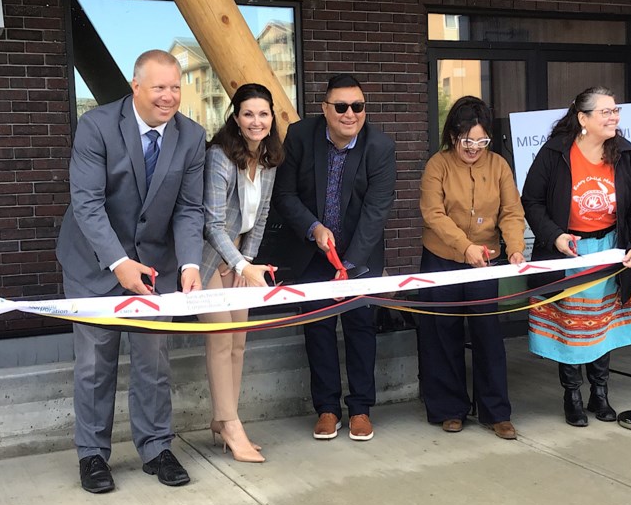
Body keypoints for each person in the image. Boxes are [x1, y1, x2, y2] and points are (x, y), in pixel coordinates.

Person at [56, 49, 206, 493]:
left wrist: (192, 262)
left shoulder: (192, 136)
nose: (169, 96)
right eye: (159, 87)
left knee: (153, 362)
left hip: (155, 268)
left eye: (176, 87)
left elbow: (189, 208)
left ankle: (157, 446)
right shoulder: (97, 126)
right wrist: (119, 263)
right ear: (136, 86)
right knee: (94, 366)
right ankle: (92, 456)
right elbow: (87, 202)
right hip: (93, 264)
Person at [271, 73, 396, 442]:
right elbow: (285, 195)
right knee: (319, 330)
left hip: (359, 255)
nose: (349, 114)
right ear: (325, 109)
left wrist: (350, 266)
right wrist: (313, 227)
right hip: (312, 252)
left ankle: (360, 408)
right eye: (340, 106)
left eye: (357, 106)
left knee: (360, 329)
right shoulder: (299, 137)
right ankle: (327, 408)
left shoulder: (380, 147)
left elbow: (377, 211)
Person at [521, 86, 631, 427]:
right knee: (570, 325)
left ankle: (600, 393)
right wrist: (555, 236)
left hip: (609, 249)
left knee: (601, 326)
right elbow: (531, 201)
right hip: (569, 251)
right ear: (583, 118)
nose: (614, 118)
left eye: (615, 111)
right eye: (605, 112)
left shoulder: (625, 152)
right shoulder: (555, 153)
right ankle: (572, 395)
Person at [417, 96, 525, 440]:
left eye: (481, 141)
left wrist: (516, 250)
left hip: (485, 260)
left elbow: (511, 212)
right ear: (453, 137)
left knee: (487, 334)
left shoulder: (499, 166)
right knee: (441, 333)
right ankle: (450, 409)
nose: (474, 148)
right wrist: (465, 248)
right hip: (442, 259)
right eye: (468, 141)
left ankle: (496, 412)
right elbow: (433, 214)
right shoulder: (438, 165)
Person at [197, 83, 284, 463]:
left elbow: (260, 216)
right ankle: (232, 426)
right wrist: (241, 265)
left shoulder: (268, 158)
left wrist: (245, 260)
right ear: (235, 117)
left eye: (263, 114)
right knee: (219, 338)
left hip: (237, 256)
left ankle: (223, 418)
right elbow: (212, 223)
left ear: (272, 119)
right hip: (204, 256)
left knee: (238, 341)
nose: (256, 121)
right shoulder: (219, 156)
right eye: (248, 113)